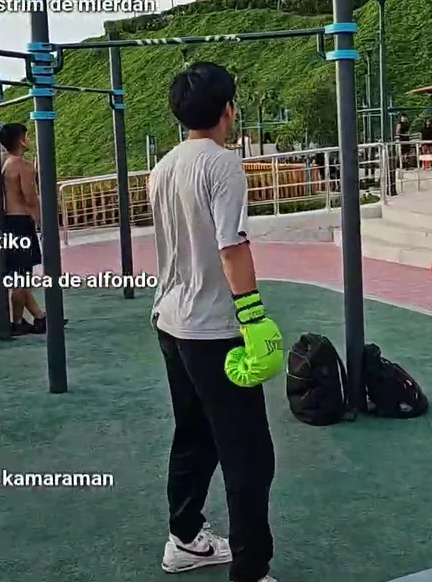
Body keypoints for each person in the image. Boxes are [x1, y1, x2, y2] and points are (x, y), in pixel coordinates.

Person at [149, 61, 282, 582]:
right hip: (212, 328)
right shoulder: (223, 164)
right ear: (229, 109)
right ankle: (251, 571)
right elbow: (232, 247)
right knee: (249, 454)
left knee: (195, 435)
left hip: (171, 321)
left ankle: (184, 538)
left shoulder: (163, 166)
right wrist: (252, 315)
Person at [0, 123, 48, 336]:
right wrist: (42, 224)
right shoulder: (22, 166)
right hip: (21, 222)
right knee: (21, 278)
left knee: (20, 277)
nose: (29, 139)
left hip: (8, 222)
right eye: (27, 136)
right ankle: (23, 321)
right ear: (21, 140)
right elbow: (30, 199)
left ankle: (33, 318)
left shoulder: (5, 163)